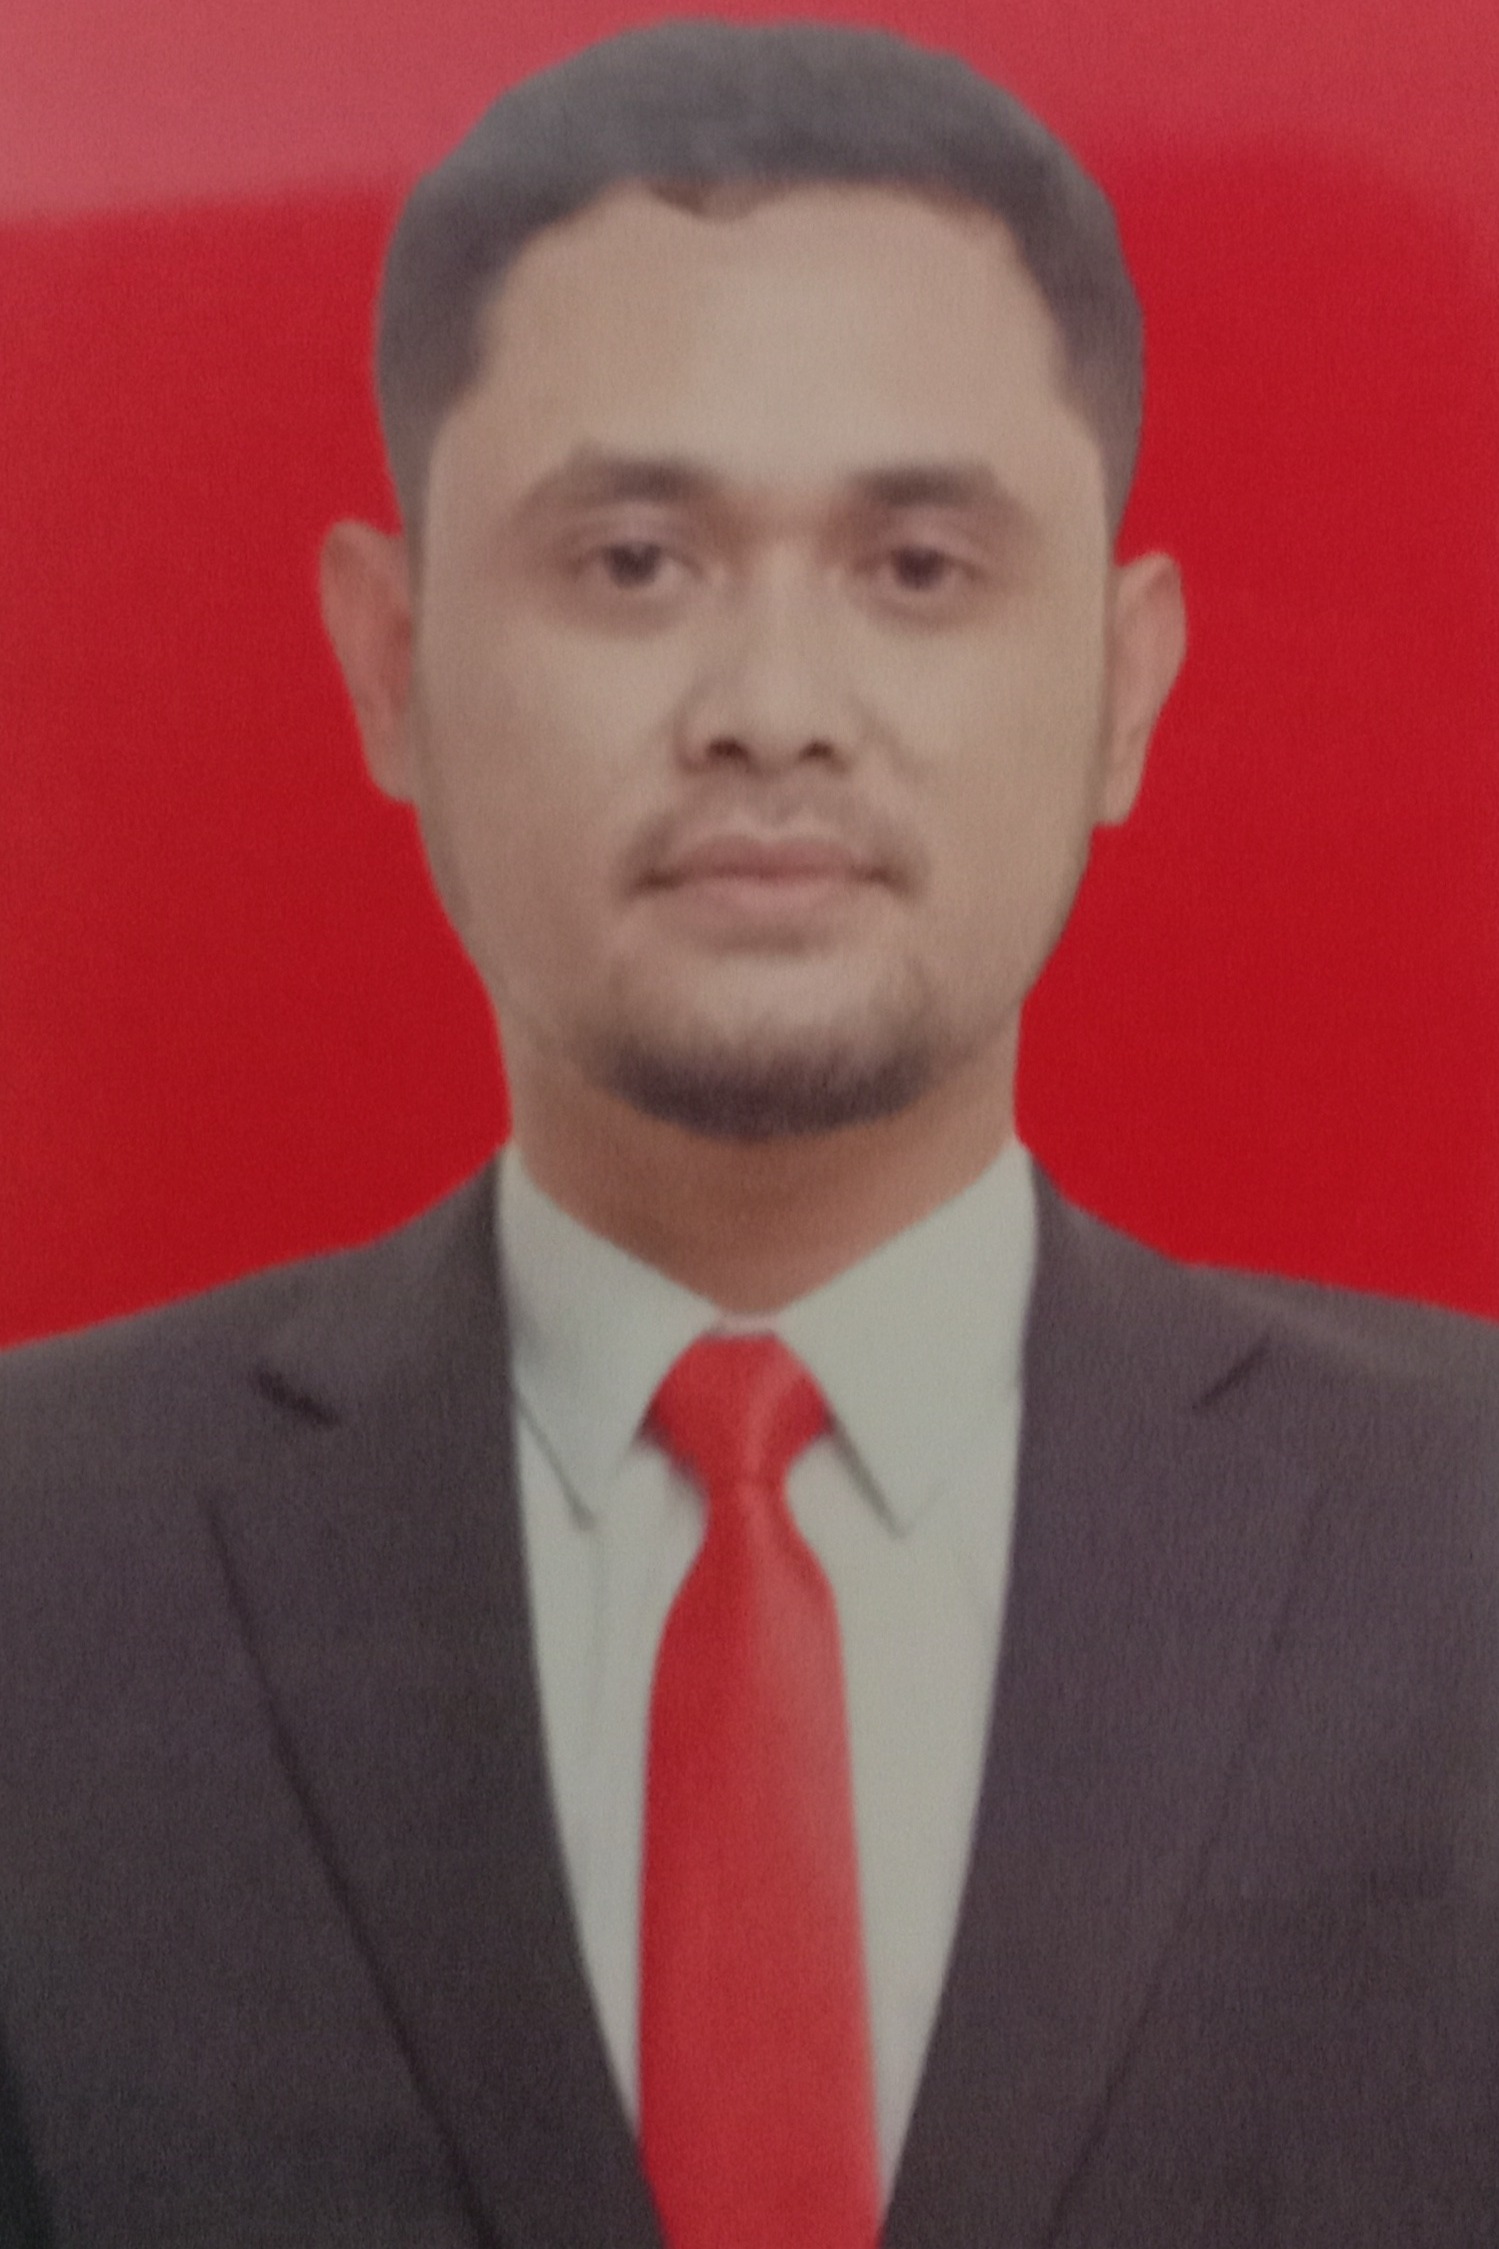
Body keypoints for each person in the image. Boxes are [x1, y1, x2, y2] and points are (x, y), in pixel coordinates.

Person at [1, 17, 1496, 2247]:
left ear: (1126, 682)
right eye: (630, 561)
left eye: (918, 566)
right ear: (390, 662)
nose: (773, 712)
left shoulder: (1469, 1538)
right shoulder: (38, 1561)